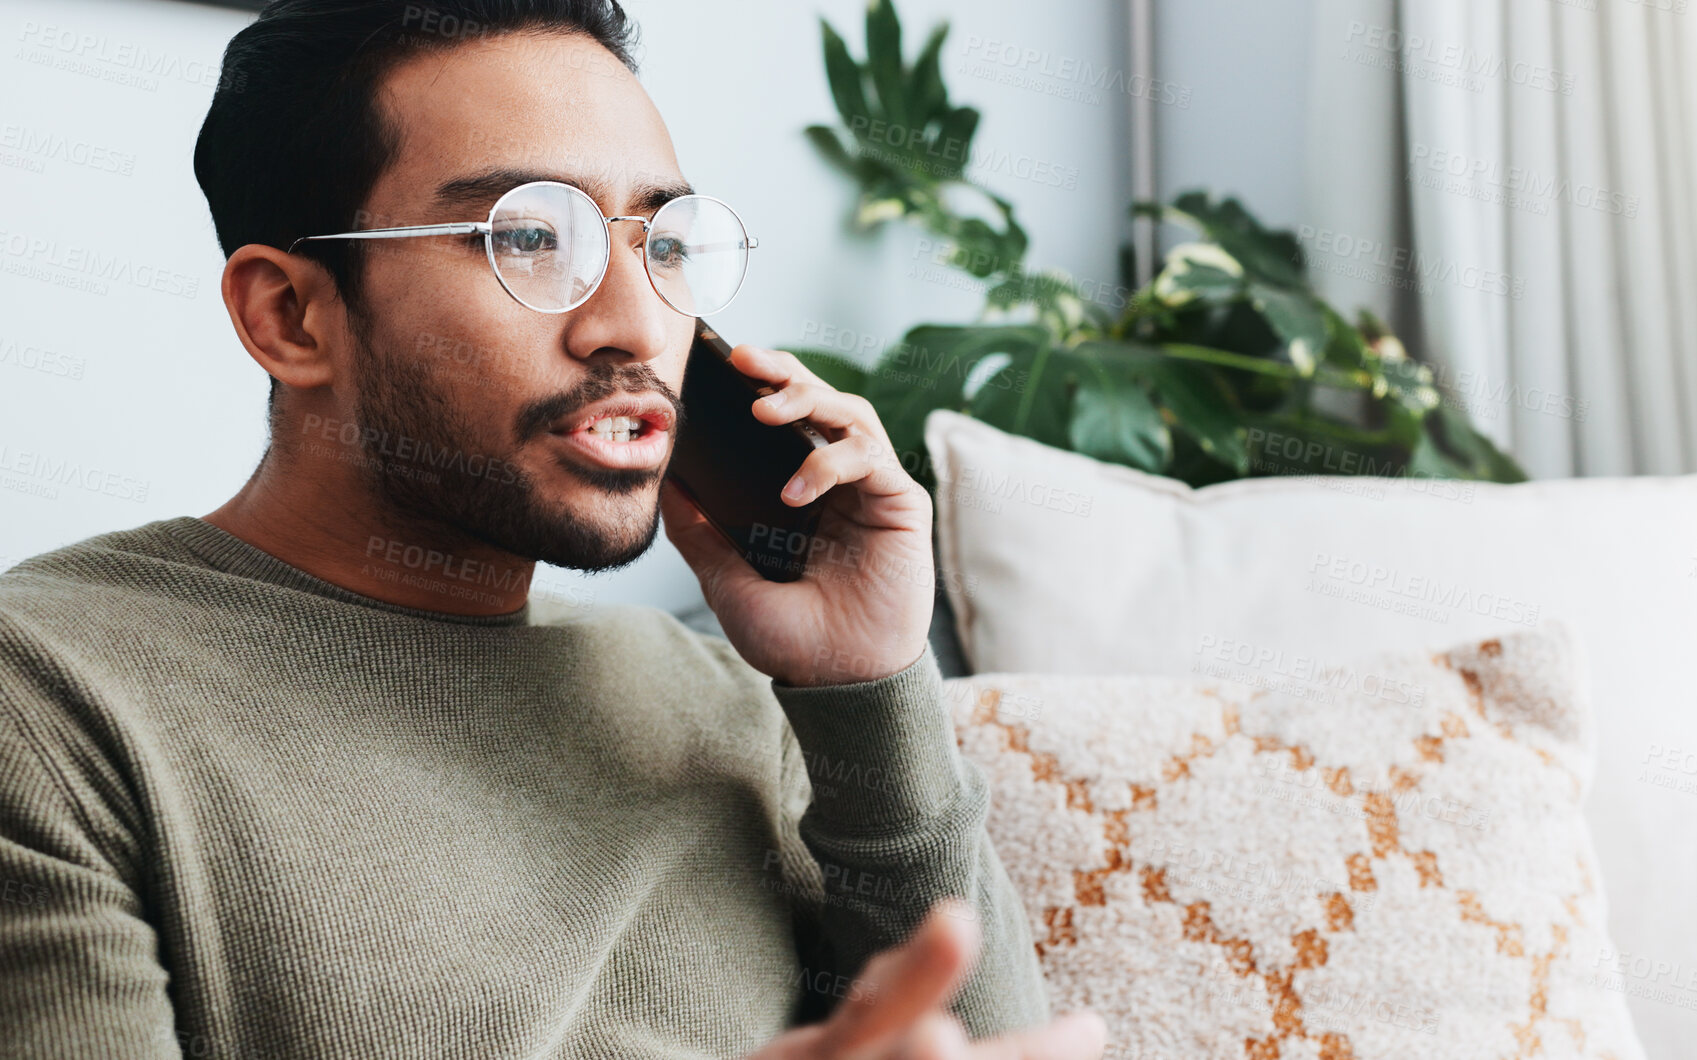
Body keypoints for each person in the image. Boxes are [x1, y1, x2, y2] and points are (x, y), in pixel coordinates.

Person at [0, 1, 1105, 1057]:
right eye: (528, 237)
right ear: (291, 315)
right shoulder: (49, 696)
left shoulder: (733, 700)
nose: (636, 324)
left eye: (664, 246)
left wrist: (868, 682)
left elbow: (989, 1043)